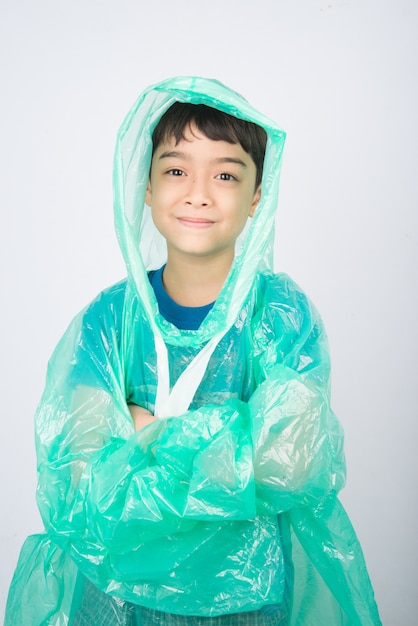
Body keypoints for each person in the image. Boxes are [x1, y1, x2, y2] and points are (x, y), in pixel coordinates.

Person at [5, 77, 381, 625]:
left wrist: (144, 433)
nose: (198, 192)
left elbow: (289, 462)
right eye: (176, 170)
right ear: (147, 188)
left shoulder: (280, 315)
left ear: (257, 196)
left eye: (226, 174)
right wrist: (231, 444)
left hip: (243, 604)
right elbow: (74, 480)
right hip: (117, 601)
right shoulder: (109, 321)